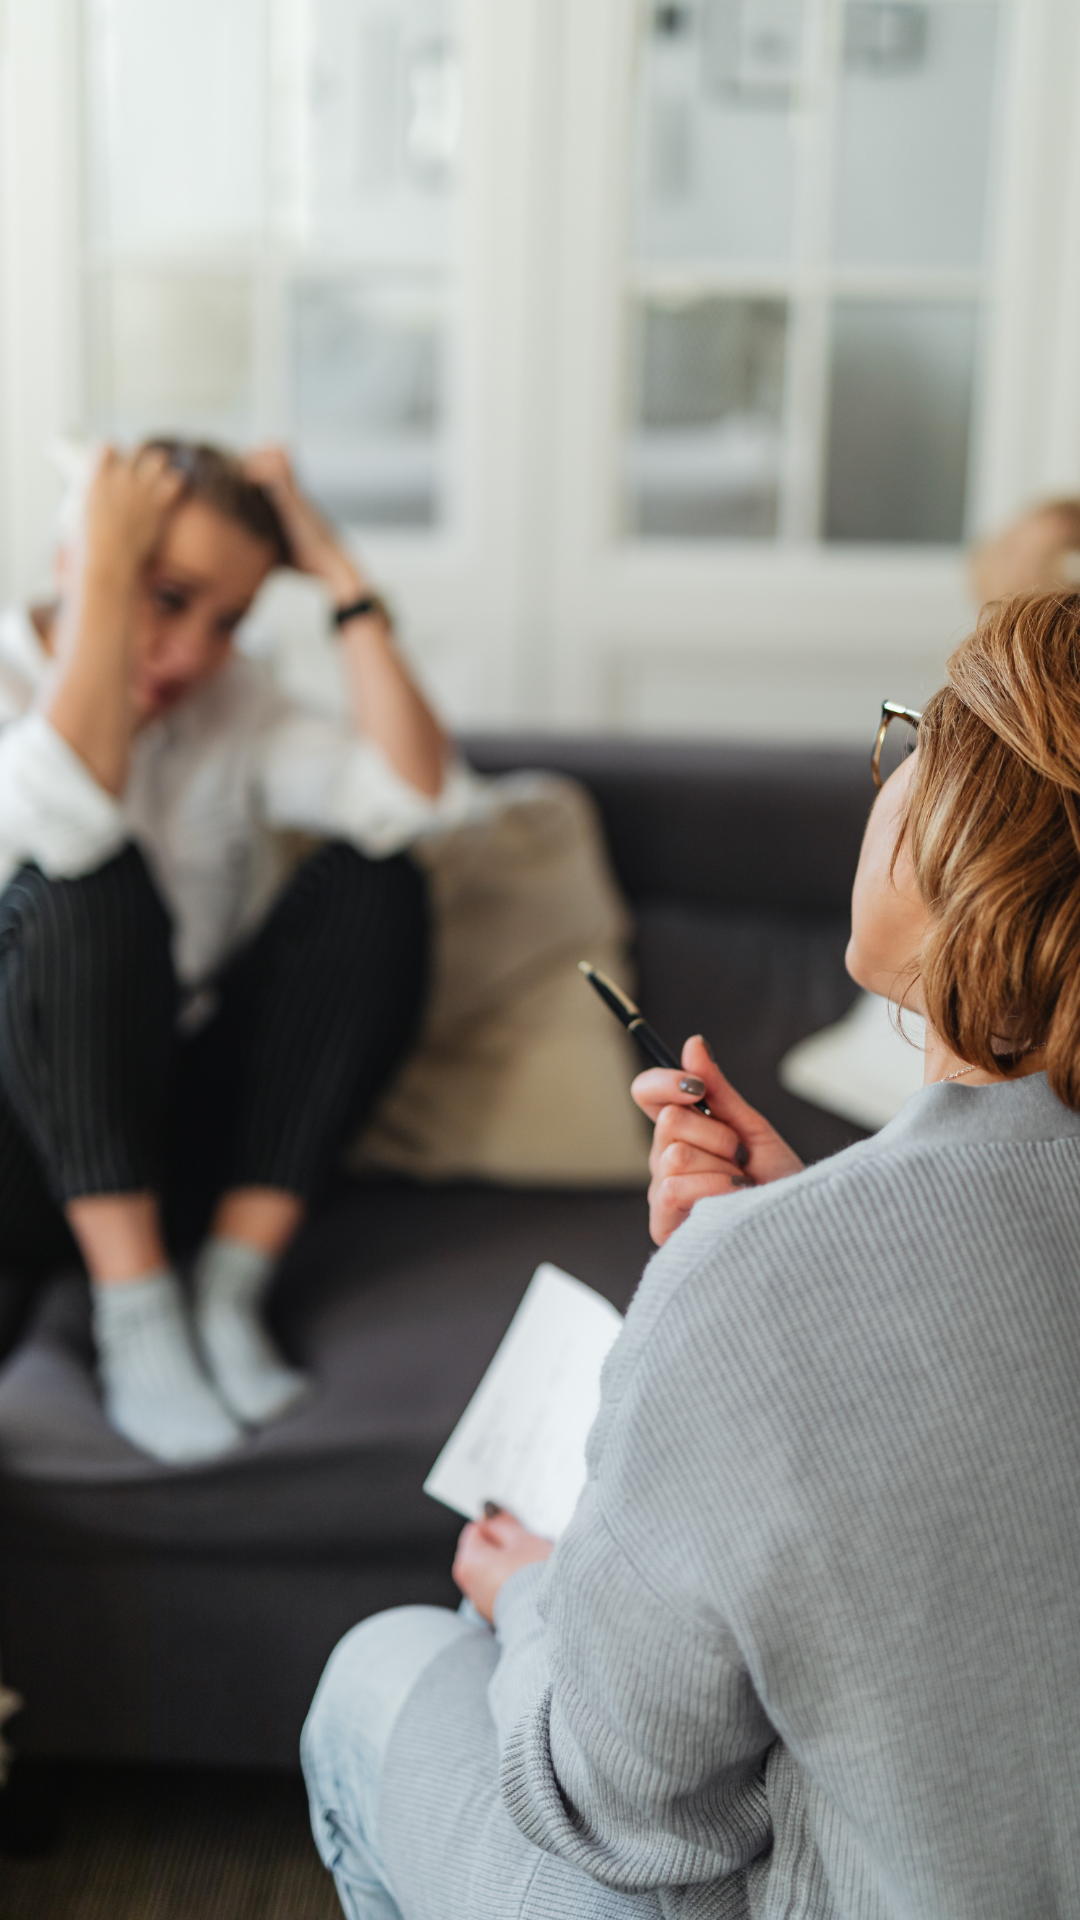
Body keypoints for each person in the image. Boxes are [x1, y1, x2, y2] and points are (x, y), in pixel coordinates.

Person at [302, 588, 1080, 1918]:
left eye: (915, 746)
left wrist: (540, 1598)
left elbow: (618, 1805)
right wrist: (808, 1224)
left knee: (377, 1677)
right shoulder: (788, 1268)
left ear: (969, 840)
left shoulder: (755, 1296)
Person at [0, 439, 477, 1464]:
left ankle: (225, 1292)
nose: (191, 653)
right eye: (165, 595)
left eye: (226, 621)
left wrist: (343, 577)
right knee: (84, 877)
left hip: (172, 1136)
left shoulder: (234, 704)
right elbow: (71, 815)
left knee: (375, 882)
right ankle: (137, 1320)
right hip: (22, 1153)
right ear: (82, 558)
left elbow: (416, 802)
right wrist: (108, 564)